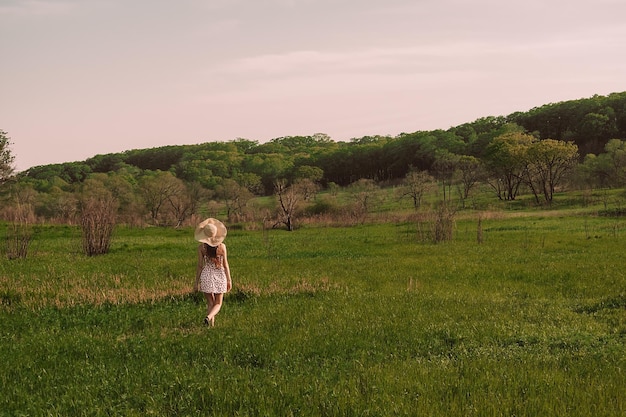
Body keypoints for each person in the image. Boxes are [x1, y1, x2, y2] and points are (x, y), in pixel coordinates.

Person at [193, 218, 232, 327]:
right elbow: (225, 265)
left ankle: (211, 326)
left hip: (206, 275)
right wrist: (229, 279)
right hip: (220, 275)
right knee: (218, 303)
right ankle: (209, 318)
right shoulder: (222, 247)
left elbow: (200, 266)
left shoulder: (201, 248)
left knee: (210, 303)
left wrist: (196, 282)